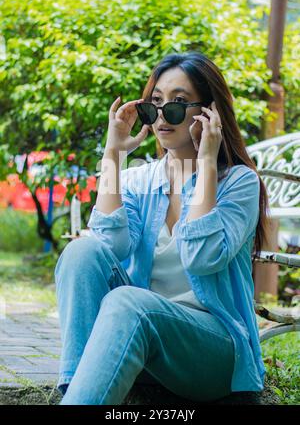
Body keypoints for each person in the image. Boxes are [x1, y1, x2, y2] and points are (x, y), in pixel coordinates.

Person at [55, 51, 270, 405]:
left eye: (178, 103)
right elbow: (109, 247)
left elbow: (202, 259)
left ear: (209, 112)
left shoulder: (239, 183)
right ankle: (74, 388)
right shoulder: (140, 179)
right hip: (142, 335)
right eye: (155, 104)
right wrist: (113, 153)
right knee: (82, 250)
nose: (162, 116)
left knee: (130, 302)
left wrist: (206, 164)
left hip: (213, 349)